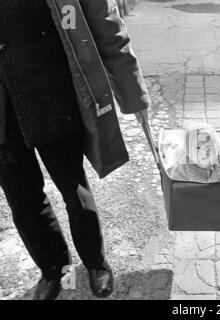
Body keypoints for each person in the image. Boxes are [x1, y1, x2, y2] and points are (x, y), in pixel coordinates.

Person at [0, 0, 150, 299]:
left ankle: (95, 263)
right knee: (23, 200)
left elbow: (105, 22)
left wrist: (134, 95)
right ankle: (55, 269)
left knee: (74, 188)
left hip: (51, 91)